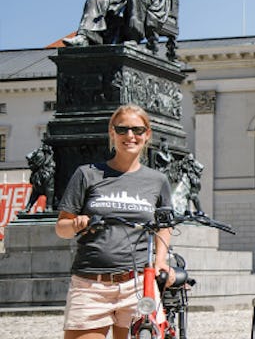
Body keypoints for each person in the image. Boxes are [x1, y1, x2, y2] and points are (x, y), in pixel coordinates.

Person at [55, 104, 175, 339]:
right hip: (91, 285)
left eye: (137, 130)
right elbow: (61, 228)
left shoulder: (158, 180)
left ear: (147, 134)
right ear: (112, 133)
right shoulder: (87, 174)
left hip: (138, 284)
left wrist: (161, 260)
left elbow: (165, 225)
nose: (130, 136)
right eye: (122, 129)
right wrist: (77, 224)